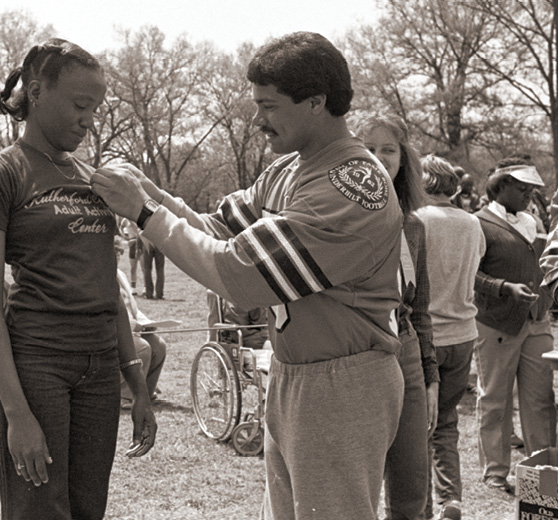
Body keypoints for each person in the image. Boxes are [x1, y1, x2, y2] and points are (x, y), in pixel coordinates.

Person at [92, 32, 404, 520]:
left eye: (270, 106)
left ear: (317, 102)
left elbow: (238, 272)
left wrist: (145, 211)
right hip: (296, 370)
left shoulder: (350, 185)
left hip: (342, 381)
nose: (258, 120)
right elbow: (219, 232)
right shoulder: (291, 168)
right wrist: (150, 194)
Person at [0, 38, 156, 519]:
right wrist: (17, 414)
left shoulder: (96, 180)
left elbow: (107, 287)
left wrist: (137, 384)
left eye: (95, 108)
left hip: (98, 368)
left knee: (88, 510)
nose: (89, 119)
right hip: (36, 366)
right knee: (40, 512)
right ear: (36, 92)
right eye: (79, 105)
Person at [358, 115, 438, 520]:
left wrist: (431, 377)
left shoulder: (414, 226)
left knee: (411, 487)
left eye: (388, 149)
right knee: (357, 486)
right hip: (359, 353)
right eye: (368, 148)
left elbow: (420, 312)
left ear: (403, 159)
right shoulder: (339, 219)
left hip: (405, 351)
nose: (377, 157)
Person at [474, 161, 555, 494]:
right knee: (495, 399)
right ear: (500, 187)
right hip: (496, 322)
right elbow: (471, 273)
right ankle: (496, 472)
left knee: (540, 398)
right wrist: (503, 286)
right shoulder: (477, 223)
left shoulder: (533, 221)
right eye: (522, 190)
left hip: (537, 320)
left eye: (531, 190)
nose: (529, 196)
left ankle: (543, 469)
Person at [418, 155, 486, 520]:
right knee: (446, 422)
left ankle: (422, 506)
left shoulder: (418, 221)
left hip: (427, 335)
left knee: (416, 427)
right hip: (463, 334)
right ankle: (451, 499)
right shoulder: (473, 224)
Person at [115, 241, 167, 404]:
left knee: (159, 345)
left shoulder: (120, 275)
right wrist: (133, 325)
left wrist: (147, 323)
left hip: (132, 328)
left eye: (120, 252)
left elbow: (134, 309)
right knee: (143, 347)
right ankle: (126, 396)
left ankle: (147, 392)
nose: (117, 255)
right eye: (115, 251)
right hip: (113, 331)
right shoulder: (98, 277)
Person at [118, 218, 140, 293]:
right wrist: (125, 237)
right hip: (132, 242)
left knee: (144, 267)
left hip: (140, 241)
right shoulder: (125, 220)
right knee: (133, 267)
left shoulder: (137, 217)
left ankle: (145, 287)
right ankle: (133, 287)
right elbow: (120, 228)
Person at [141, 235, 165, 299]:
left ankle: (149, 293)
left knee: (147, 269)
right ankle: (159, 293)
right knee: (160, 269)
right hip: (159, 243)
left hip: (147, 242)